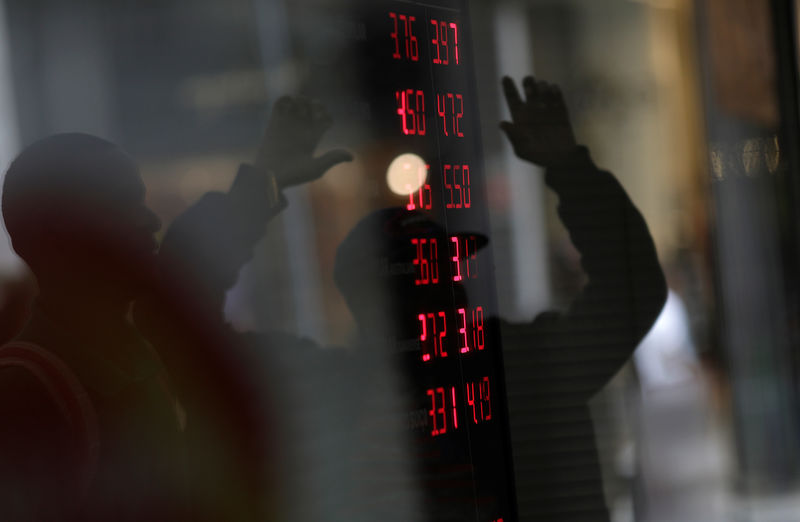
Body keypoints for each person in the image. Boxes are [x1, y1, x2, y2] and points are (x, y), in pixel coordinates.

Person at [0, 96, 350, 521]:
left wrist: (266, 177)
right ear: (67, 238)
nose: (149, 220)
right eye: (123, 204)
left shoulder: (138, 341)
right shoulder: (25, 391)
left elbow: (188, 274)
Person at [498, 76, 667, 521]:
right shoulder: (519, 366)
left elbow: (630, 290)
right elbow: (632, 289)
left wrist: (571, 169)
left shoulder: (515, 365)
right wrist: (568, 167)